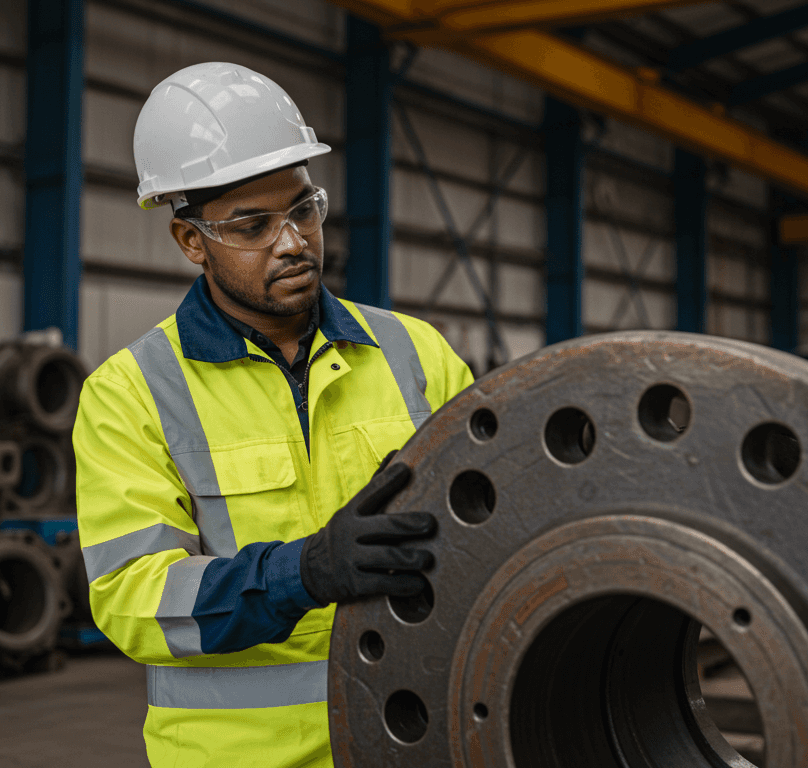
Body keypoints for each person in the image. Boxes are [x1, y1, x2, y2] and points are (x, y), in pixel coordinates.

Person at [73, 62, 474, 767]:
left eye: (303, 209)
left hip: (415, 741)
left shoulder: (419, 355)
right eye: (253, 225)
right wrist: (303, 574)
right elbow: (133, 599)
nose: (293, 242)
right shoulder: (131, 394)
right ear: (191, 242)